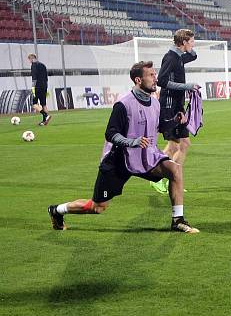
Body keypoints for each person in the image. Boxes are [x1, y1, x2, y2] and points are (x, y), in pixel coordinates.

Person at [47, 61, 199, 234]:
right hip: (118, 160)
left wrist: (174, 121)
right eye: (151, 75)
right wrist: (132, 142)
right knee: (97, 207)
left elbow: (158, 127)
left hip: (145, 157)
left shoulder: (155, 102)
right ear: (138, 80)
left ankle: (177, 220)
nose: (155, 78)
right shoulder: (123, 104)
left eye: (155, 74)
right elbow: (111, 134)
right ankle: (57, 210)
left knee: (175, 170)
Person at [151, 29, 201, 194]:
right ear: (184, 42)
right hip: (169, 106)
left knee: (183, 144)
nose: (193, 44)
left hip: (177, 105)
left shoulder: (179, 55)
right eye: (191, 41)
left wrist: (187, 46)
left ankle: (173, 179)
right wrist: (187, 86)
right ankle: (157, 178)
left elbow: (193, 56)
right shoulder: (171, 57)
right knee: (174, 145)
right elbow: (162, 82)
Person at [28, 54, 51, 126]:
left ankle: (45, 115)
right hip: (44, 86)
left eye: (29, 60)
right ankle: (45, 121)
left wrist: (33, 87)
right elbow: (46, 78)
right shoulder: (43, 65)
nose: (29, 61)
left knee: (34, 104)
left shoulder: (34, 65)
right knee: (43, 104)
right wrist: (46, 87)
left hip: (37, 86)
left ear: (31, 58)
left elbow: (34, 78)